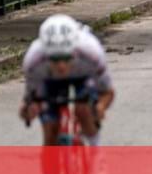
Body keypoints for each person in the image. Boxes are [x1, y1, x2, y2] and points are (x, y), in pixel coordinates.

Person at [20, 14, 114, 146]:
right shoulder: (33, 60)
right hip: (49, 80)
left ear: (75, 50)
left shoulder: (91, 53)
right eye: (54, 59)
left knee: (83, 110)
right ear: (45, 53)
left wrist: (100, 107)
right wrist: (29, 108)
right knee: (50, 134)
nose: (61, 65)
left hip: (83, 77)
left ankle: (95, 151)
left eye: (66, 57)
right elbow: (32, 96)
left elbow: (107, 91)